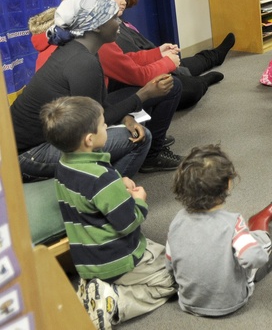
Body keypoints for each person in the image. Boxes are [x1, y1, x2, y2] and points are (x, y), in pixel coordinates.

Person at [12, 0, 179, 181]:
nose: (119, 23)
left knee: (130, 131)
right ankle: (104, 195)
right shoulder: (83, 62)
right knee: (142, 139)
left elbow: (98, 105)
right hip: (26, 156)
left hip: (36, 144)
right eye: (113, 19)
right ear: (96, 26)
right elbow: (92, 123)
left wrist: (125, 118)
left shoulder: (82, 50)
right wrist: (144, 95)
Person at [41, 96, 176, 328]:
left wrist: (118, 183)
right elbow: (128, 221)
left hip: (87, 256)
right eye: (104, 124)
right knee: (173, 278)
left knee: (164, 254)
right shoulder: (103, 179)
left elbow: (89, 196)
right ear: (90, 139)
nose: (107, 127)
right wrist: (139, 200)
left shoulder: (64, 165)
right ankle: (114, 302)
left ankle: (96, 285)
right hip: (115, 258)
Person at [166, 145, 272, 317]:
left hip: (188, 303)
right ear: (228, 184)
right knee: (255, 240)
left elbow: (170, 262)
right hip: (233, 302)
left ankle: (257, 226)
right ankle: (261, 226)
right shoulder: (232, 223)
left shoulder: (177, 220)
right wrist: (260, 255)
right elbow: (254, 258)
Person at [109, 0, 234, 109]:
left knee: (186, 63)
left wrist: (160, 53)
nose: (123, 2)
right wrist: (166, 62)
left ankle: (215, 56)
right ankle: (204, 80)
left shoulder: (121, 23)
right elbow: (137, 72)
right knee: (191, 88)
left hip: (151, 67)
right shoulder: (110, 35)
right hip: (142, 80)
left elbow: (138, 56)